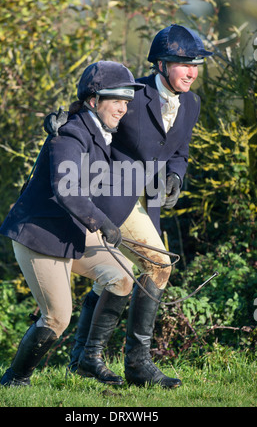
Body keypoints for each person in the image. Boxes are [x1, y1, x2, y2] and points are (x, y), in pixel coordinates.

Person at [45, 24, 213, 388]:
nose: (192, 72)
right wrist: (61, 124)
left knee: (114, 275)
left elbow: (180, 153)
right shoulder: (133, 92)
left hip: (147, 202)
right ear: (161, 64)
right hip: (111, 194)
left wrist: (175, 177)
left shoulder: (192, 104)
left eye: (196, 65)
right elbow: (92, 110)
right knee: (159, 265)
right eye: (184, 64)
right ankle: (138, 364)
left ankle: (84, 356)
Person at [0, 60, 144, 387]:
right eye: (116, 100)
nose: (123, 108)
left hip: (71, 230)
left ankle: (86, 359)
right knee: (57, 317)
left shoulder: (102, 133)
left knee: (121, 277)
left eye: (127, 101)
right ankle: (15, 380)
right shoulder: (69, 135)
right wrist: (103, 223)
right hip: (39, 233)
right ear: (93, 101)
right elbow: (68, 190)